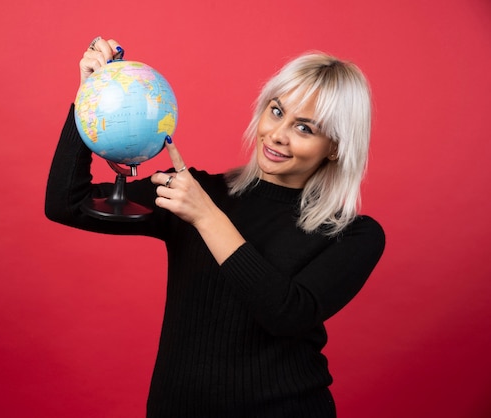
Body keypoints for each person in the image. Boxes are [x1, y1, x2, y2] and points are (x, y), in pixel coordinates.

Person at [45, 36, 385, 418]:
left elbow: (287, 314)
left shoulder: (354, 234)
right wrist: (89, 95)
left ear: (336, 146)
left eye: (305, 129)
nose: (277, 134)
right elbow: (67, 204)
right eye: (276, 111)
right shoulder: (199, 192)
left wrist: (206, 217)